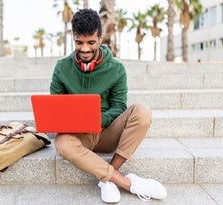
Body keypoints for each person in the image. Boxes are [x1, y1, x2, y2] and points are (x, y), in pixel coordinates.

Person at [50, 8, 167, 203]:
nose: (85, 49)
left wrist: (95, 120)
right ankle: (123, 182)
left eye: (91, 42)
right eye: (79, 43)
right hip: (80, 135)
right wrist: (66, 122)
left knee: (142, 111)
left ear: (101, 38)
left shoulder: (117, 69)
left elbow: (119, 106)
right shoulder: (62, 68)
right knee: (61, 144)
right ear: (73, 37)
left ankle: (109, 176)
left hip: (108, 132)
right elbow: (56, 106)